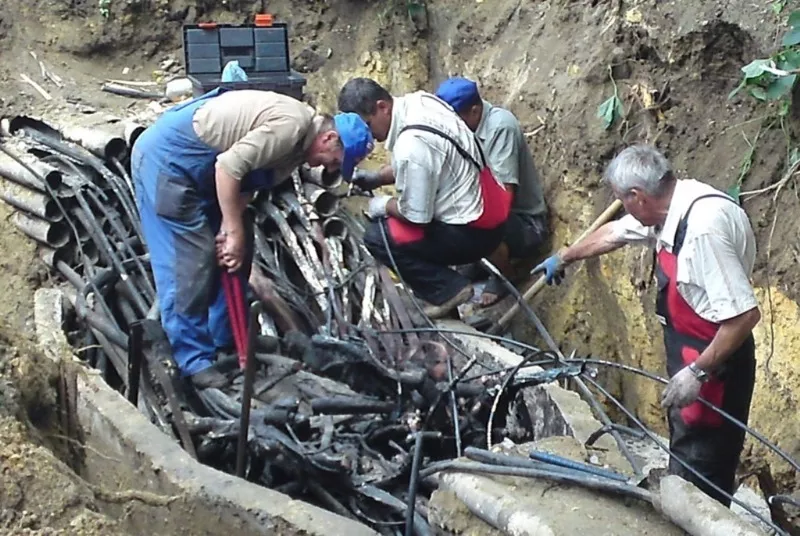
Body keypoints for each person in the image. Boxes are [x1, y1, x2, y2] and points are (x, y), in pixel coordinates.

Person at [533, 144, 760, 506]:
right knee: (687, 445)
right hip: (690, 347)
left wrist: (697, 374)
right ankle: (683, 499)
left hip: (715, 361)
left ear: (637, 196)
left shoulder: (702, 231)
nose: (624, 209)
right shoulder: (673, 205)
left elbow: (744, 317)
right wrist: (564, 256)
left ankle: (700, 519)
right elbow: (614, 234)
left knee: (705, 462)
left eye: (623, 202)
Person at [131, 88, 373, 388]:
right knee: (191, 261)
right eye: (336, 161)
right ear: (328, 138)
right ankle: (191, 361)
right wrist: (230, 229)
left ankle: (224, 342)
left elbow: (246, 183)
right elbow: (228, 167)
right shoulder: (291, 126)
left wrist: (232, 231)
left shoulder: (296, 149)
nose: (329, 168)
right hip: (170, 162)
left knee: (238, 255)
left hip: (205, 176)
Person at [337, 77, 512, 318]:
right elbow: (429, 161)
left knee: (378, 237)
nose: (368, 134)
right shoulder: (421, 102)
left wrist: (383, 205)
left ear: (382, 107)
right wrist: (378, 178)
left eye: (367, 124)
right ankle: (449, 285)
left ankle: (450, 290)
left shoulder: (410, 145)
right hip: (491, 206)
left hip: (475, 231)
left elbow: (416, 216)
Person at [434, 77, 549, 306]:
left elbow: (502, 199)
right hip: (490, 207)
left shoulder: (500, 127)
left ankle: (504, 273)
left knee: (475, 220)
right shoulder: (463, 130)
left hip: (524, 222)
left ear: (474, 111)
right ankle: (479, 258)